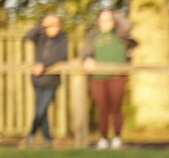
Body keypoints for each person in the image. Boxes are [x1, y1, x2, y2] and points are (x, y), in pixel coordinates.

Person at [81, 8, 136, 149]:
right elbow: (85, 52)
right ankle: (103, 137)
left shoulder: (119, 34)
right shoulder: (93, 35)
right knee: (102, 109)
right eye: (102, 20)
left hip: (117, 77)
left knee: (116, 108)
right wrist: (87, 59)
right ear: (98, 22)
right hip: (98, 77)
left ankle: (117, 137)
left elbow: (127, 25)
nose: (105, 23)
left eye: (108, 19)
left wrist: (114, 14)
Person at [21, 14, 70, 149]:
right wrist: (41, 24)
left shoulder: (63, 38)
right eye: (49, 25)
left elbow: (62, 56)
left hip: (51, 81)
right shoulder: (41, 37)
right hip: (37, 80)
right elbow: (28, 36)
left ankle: (31, 134)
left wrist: (44, 65)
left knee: (40, 110)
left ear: (59, 26)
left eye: (55, 25)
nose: (51, 28)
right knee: (42, 112)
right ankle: (48, 139)